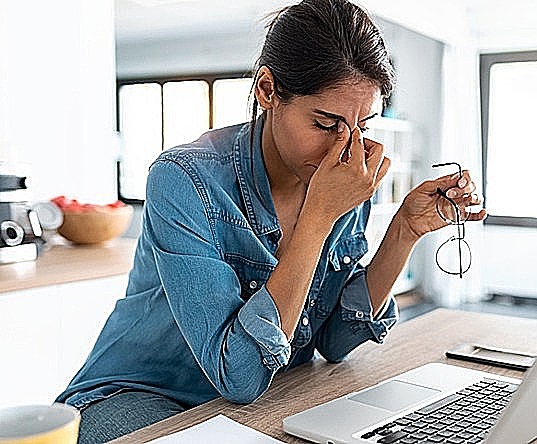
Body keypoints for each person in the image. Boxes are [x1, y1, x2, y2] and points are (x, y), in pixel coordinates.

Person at [56, 0, 486, 442]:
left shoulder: (336, 176)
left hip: (254, 398)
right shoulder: (185, 179)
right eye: (325, 123)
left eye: (365, 125)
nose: (348, 148)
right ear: (267, 89)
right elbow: (237, 374)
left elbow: (335, 341)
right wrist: (318, 218)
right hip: (140, 395)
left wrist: (403, 231)